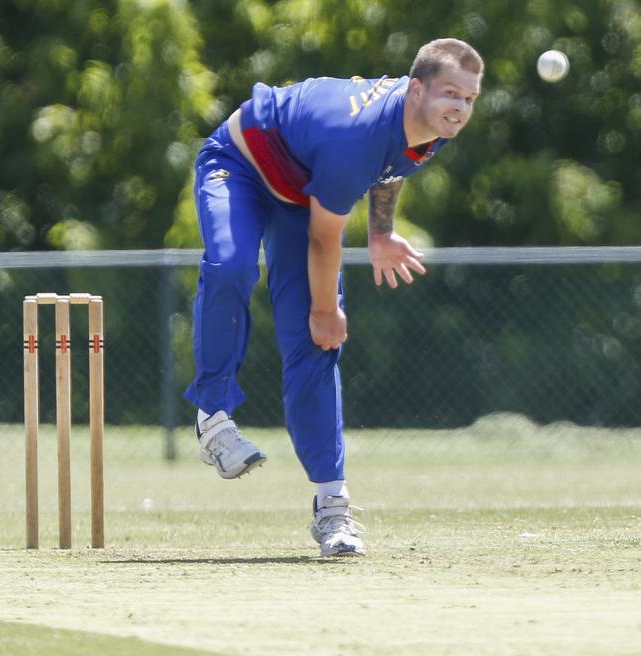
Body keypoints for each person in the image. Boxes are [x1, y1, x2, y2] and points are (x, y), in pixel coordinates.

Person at [184, 38, 484, 556]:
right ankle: (213, 417)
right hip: (241, 164)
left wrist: (380, 233)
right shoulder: (357, 136)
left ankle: (332, 508)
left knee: (315, 346)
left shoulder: (434, 128)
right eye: (450, 94)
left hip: (306, 192)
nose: (460, 108)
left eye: (470, 99)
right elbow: (327, 237)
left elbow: (391, 169)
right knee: (233, 265)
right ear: (416, 89)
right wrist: (325, 309)